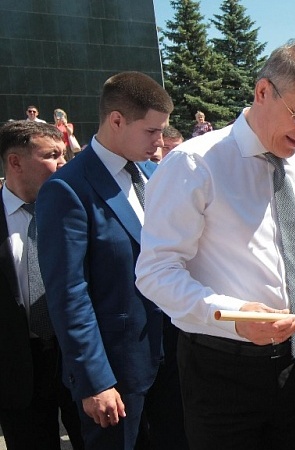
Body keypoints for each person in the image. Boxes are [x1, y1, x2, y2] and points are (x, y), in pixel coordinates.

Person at [134, 41, 295, 450]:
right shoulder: (194, 164)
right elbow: (155, 272)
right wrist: (230, 315)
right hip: (222, 369)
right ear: (263, 91)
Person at [35, 71, 173, 450]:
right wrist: (94, 379)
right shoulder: (67, 189)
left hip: (173, 363)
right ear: (116, 120)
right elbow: (69, 294)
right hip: (116, 376)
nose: (160, 142)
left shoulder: (154, 175)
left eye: (163, 131)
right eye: (151, 131)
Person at [0, 121, 84, 450]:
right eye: (51, 155)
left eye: (63, 154)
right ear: (15, 162)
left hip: (77, 356)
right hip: (17, 368)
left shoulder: (75, 208)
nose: (63, 163)